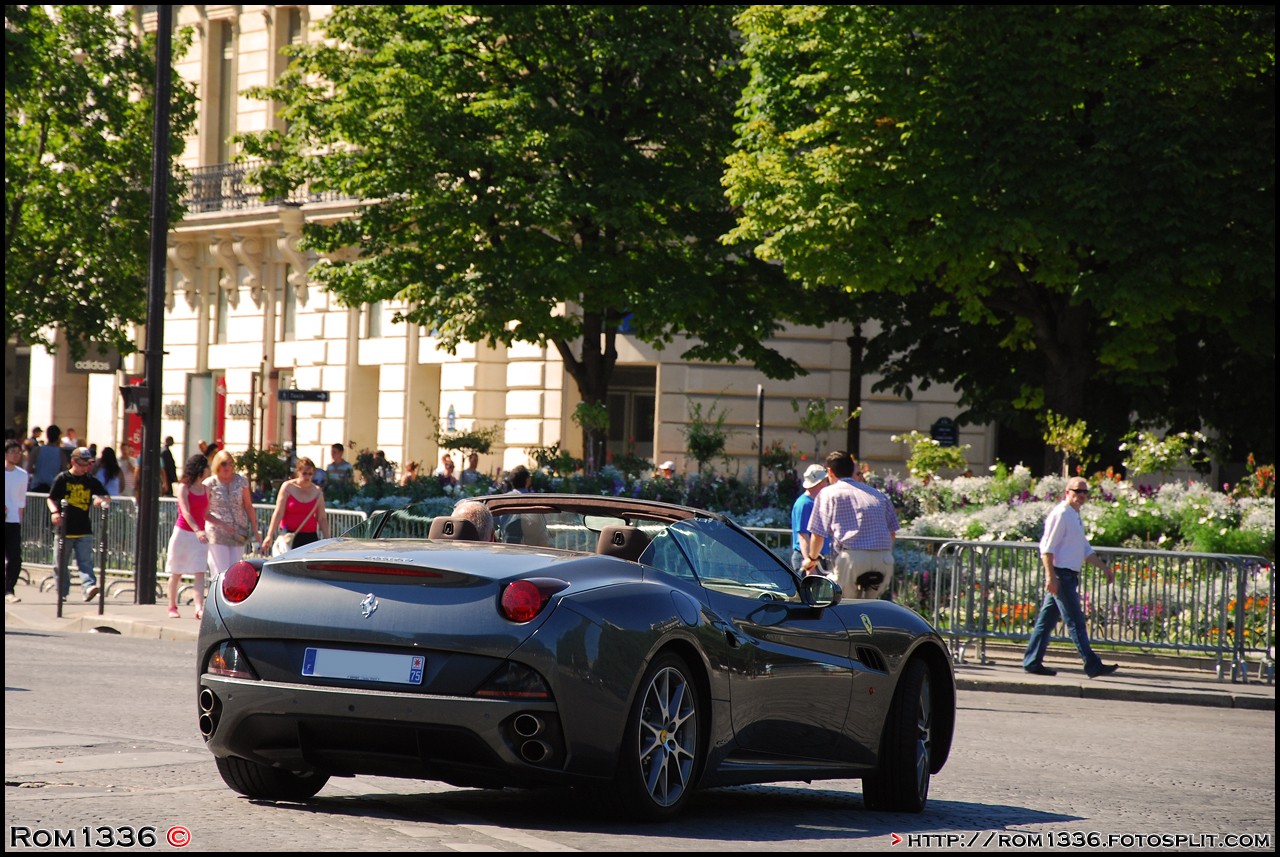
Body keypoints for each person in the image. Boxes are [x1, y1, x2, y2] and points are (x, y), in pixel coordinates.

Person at [1023, 477, 1120, 679]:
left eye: (1085, 492)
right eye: (1077, 491)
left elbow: (1085, 549)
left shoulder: (1074, 515)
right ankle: (1093, 665)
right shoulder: (1061, 514)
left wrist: (1105, 568)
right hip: (1061, 575)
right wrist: (1051, 577)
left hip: (1068, 575)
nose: (1082, 495)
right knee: (1075, 620)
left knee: (1046, 621)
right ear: (1067, 492)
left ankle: (1032, 661)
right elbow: (1046, 549)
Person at [803, 450, 898, 599]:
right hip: (884, 559)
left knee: (842, 605)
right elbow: (892, 533)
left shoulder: (828, 493)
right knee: (870, 606)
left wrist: (812, 559)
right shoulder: (878, 495)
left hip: (852, 558)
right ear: (852, 469)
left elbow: (818, 534)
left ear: (830, 471)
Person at [47, 447, 111, 601]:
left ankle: (88, 587)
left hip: (83, 528)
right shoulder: (62, 479)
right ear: (74, 462)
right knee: (60, 563)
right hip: (64, 529)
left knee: (85, 562)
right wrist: (55, 512)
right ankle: (62, 593)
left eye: (88, 464)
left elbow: (107, 496)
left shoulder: (90, 480)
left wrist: (100, 500)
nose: (86, 468)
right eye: (83, 464)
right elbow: (51, 498)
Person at [166, 454, 211, 619]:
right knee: (176, 572)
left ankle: (199, 608)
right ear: (200, 468)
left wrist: (225, 525)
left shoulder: (207, 489)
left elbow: (206, 514)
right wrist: (198, 530)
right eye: (207, 466)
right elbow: (185, 512)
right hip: (183, 534)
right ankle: (172, 605)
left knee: (199, 572)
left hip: (200, 536)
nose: (209, 469)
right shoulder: (183, 487)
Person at [203, 449, 257, 581]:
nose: (228, 467)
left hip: (238, 531)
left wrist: (255, 529)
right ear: (217, 465)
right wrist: (221, 524)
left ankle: (232, 598)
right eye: (223, 464)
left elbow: (248, 506)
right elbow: (204, 512)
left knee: (235, 570)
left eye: (230, 463)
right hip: (217, 532)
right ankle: (218, 598)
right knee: (220, 571)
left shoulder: (241, 481)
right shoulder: (209, 484)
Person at [261, 457, 329, 556]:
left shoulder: (317, 491)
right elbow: (278, 513)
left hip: (309, 536)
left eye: (310, 474)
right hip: (289, 536)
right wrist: (269, 536)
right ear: (298, 472)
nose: (307, 477)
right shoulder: (288, 487)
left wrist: (328, 539)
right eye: (304, 473)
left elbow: (322, 518)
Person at [791, 463, 833, 574]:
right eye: (825, 481)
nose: (827, 484)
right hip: (808, 559)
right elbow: (803, 536)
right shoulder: (804, 504)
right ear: (820, 483)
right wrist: (810, 565)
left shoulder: (815, 502)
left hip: (816, 558)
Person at [5, 439, 28, 603]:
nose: (16, 455)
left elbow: (21, 500)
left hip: (12, 520)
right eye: (12, 452)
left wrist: (19, 519)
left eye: (18, 452)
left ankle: (9, 589)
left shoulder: (22, 474)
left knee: (15, 558)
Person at [30, 425, 69, 492]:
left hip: (37, 486)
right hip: (53, 487)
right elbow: (65, 471)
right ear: (58, 437)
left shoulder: (37, 450)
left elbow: (29, 469)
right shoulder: (61, 453)